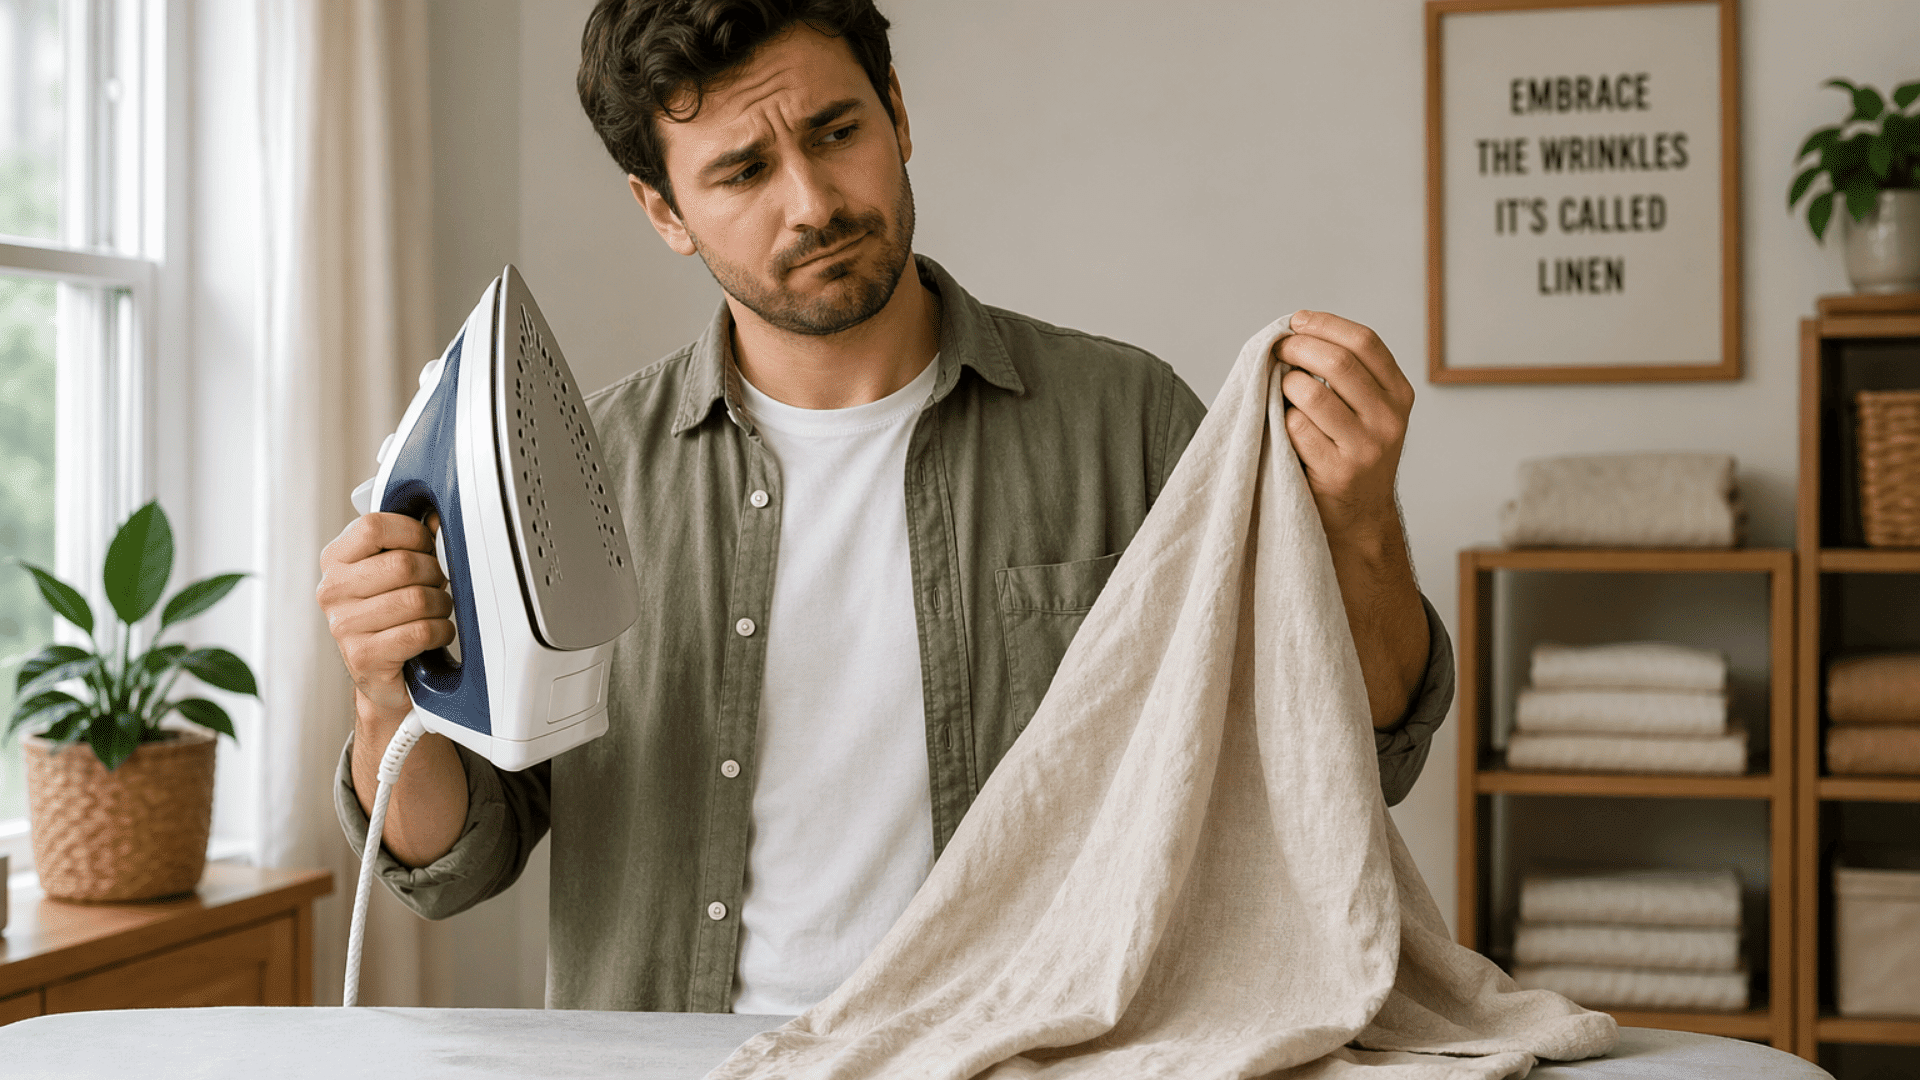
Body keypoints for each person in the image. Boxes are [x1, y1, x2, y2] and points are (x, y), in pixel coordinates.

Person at [318, 0, 1452, 1016]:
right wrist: (384, 689)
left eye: (835, 132)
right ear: (663, 209)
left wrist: (1358, 524)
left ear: (897, 112)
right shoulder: (579, 475)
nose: (813, 203)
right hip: (694, 1056)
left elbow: (1358, 759)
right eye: (742, 172)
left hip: (1026, 1047)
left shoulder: (1129, 420)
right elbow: (455, 865)